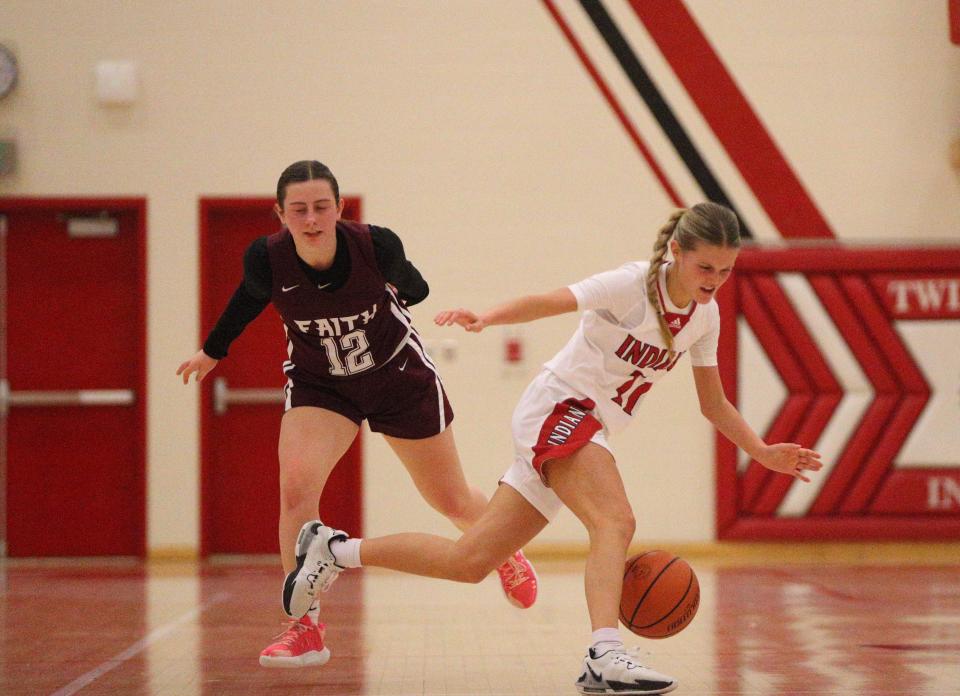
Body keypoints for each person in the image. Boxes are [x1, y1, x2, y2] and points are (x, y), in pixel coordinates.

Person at [283, 202, 824, 695]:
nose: (715, 281)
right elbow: (553, 300)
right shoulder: (632, 285)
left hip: (585, 428)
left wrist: (762, 451)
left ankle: (331, 550)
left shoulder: (705, 319)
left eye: (725, 271)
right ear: (678, 252)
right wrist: (489, 317)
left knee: (470, 561)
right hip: (560, 409)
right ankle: (604, 653)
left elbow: (714, 404)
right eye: (706, 268)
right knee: (615, 520)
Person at [176, 160, 537, 668]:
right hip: (321, 383)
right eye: (298, 209)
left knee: (450, 498)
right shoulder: (267, 259)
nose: (311, 218)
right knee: (296, 488)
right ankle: (304, 627)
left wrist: (399, 283)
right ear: (280, 214)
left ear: (339, 208)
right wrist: (213, 350)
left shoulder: (375, 244)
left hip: (396, 377)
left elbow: (418, 289)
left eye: (322, 207)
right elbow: (247, 299)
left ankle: (504, 552)